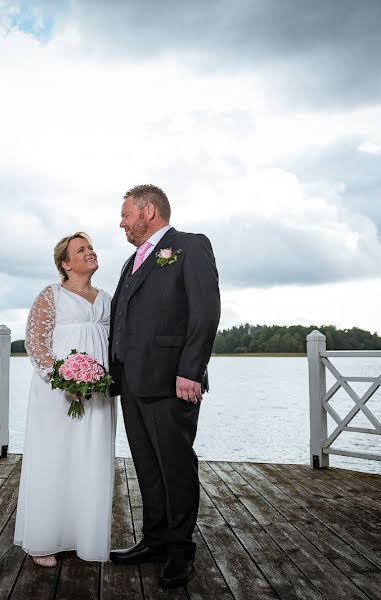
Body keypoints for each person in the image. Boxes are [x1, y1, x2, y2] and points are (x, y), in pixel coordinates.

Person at [108, 184, 221, 588]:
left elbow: (205, 314)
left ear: (148, 211)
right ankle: (154, 539)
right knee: (147, 467)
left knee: (175, 467)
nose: (121, 223)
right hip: (133, 383)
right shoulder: (129, 262)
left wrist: (191, 370)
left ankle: (179, 549)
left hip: (173, 381)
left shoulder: (190, 246)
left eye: (125, 215)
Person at [13, 232, 117, 567]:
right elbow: (36, 342)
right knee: (54, 458)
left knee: (91, 458)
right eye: (81, 250)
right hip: (56, 393)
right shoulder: (51, 295)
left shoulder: (106, 299)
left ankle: (83, 536)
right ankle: (43, 540)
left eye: (91, 247)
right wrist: (61, 380)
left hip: (98, 394)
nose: (90, 252)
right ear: (65, 263)